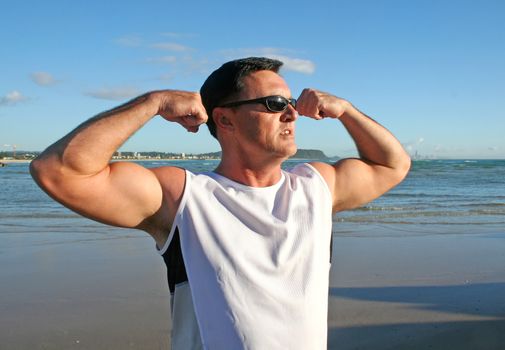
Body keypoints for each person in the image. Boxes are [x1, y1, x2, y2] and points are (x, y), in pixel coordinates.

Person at [30, 57, 410, 349]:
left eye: (291, 102)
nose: (292, 113)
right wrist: (153, 102)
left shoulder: (316, 186)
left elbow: (393, 164)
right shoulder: (181, 197)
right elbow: (58, 172)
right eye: (276, 103)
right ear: (225, 120)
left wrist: (347, 111)